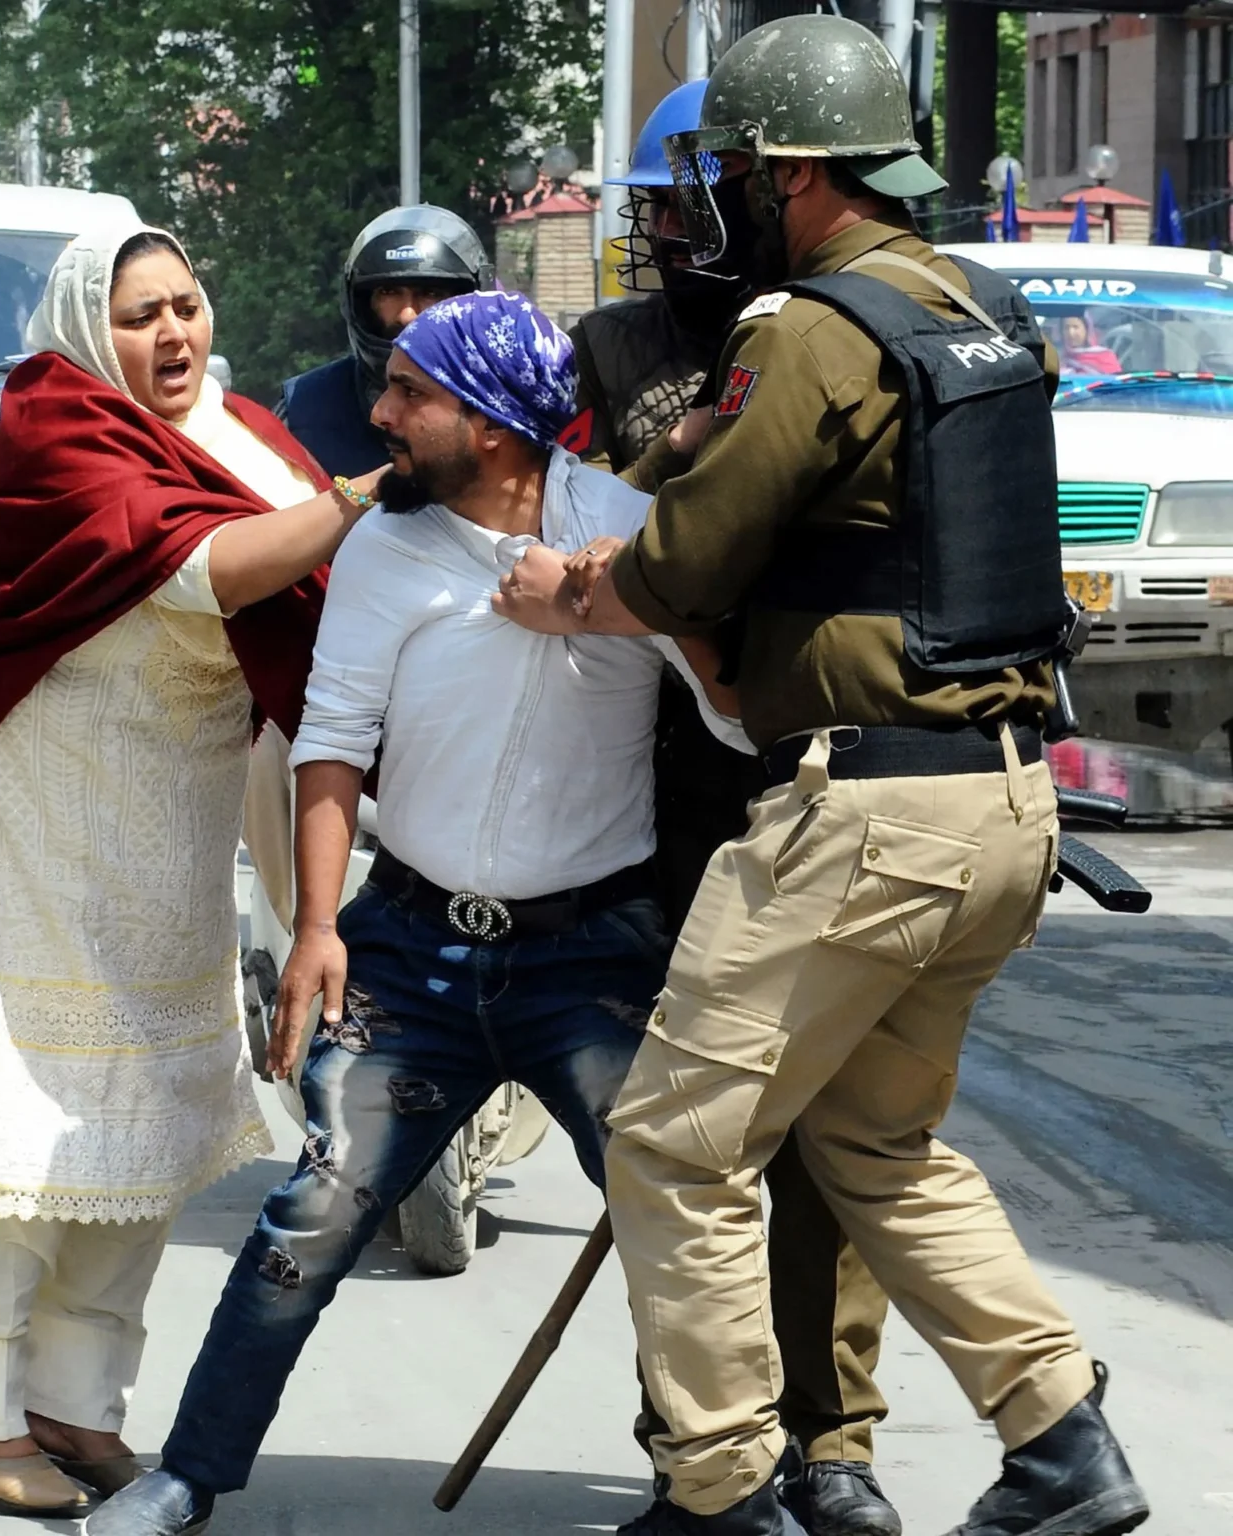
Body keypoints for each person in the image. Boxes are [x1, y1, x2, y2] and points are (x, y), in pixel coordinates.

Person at [497, 18, 1148, 1536]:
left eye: (733, 169)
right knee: (870, 1145)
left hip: (864, 816)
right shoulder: (977, 307)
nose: (719, 197)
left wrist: (565, 590)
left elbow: (680, 568)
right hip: (1002, 801)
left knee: (672, 1142)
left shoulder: (805, 328)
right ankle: (1061, 1442)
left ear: (793, 174)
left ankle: (723, 1487)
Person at [90, 291, 747, 1536]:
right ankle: (190, 1475)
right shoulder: (383, 550)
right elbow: (332, 739)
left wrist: (612, 603)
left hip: (591, 963)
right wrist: (317, 929)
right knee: (307, 1222)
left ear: (491, 425)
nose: (381, 413)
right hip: (408, 953)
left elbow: (736, 715)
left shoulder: (627, 536)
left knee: (677, 1228)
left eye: (409, 394)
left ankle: (712, 1487)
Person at [0, 224, 378, 1517]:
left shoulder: (241, 434)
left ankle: (76, 1402)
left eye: (186, 306)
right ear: (89, 328)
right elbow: (211, 572)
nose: (172, 334)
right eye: (140, 314)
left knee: (145, 1116)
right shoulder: (59, 429)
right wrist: (361, 500)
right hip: (35, 823)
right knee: (26, 1120)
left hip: (165, 833)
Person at [574, 80, 903, 1536]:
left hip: (840, 768)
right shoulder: (612, 351)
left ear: (757, 189)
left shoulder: (858, 328)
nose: (660, 228)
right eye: (648, 205)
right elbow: (573, 532)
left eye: (678, 199)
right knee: (685, 1139)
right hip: (668, 797)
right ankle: (698, 1447)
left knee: (834, 1130)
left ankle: (833, 1442)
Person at [274, 203, 489, 477]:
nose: (407, 315)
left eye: (432, 293)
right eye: (389, 292)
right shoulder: (304, 408)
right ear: (361, 302)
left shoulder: (506, 403)